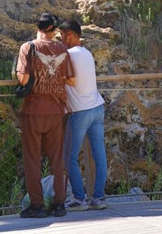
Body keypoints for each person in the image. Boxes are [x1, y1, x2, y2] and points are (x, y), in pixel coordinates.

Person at [15, 12, 75, 219]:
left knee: (32, 160)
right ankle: (59, 204)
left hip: (33, 111)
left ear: (38, 27)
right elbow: (71, 79)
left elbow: (23, 79)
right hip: (56, 111)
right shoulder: (62, 49)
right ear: (54, 30)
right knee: (57, 160)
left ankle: (37, 206)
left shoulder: (28, 47)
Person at [59, 19, 108, 212]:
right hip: (97, 107)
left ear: (69, 35)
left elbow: (67, 79)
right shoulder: (87, 53)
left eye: (62, 36)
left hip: (80, 111)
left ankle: (79, 198)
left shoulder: (67, 55)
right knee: (100, 155)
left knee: (69, 156)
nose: (61, 39)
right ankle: (98, 197)